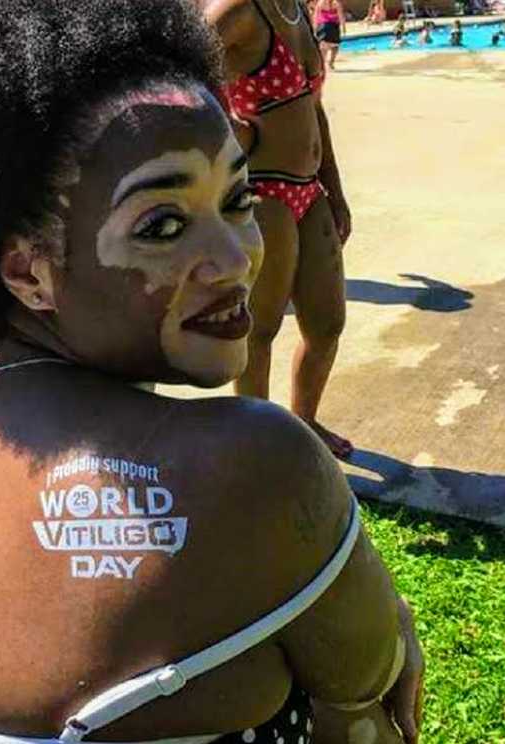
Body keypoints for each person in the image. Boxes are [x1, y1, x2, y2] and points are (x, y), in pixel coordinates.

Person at [0, 1, 424, 744]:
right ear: (28, 272)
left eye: (238, 200)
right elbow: (369, 677)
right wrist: (388, 622)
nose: (239, 255)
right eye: (163, 225)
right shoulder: (256, 461)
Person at [199, 0, 355, 459]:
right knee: (260, 329)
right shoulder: (239, 10)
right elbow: (176, 66)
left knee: (327, 325)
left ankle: (303, 424)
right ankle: (256, 444)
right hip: (266, 192)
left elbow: (314, 110)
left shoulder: (297, 10)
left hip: (311, 190)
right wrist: (225, 127)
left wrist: (335, 189)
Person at [314, 0, 346, 70]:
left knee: (324, 47)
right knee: (335, 47)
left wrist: (315, 28)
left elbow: (316, 17)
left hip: (323, 26)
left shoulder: (320, 3)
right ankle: (331, 62)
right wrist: (343, 27)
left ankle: (322, 64)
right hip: (332, 26)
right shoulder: (336, 3)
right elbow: (341, 16)